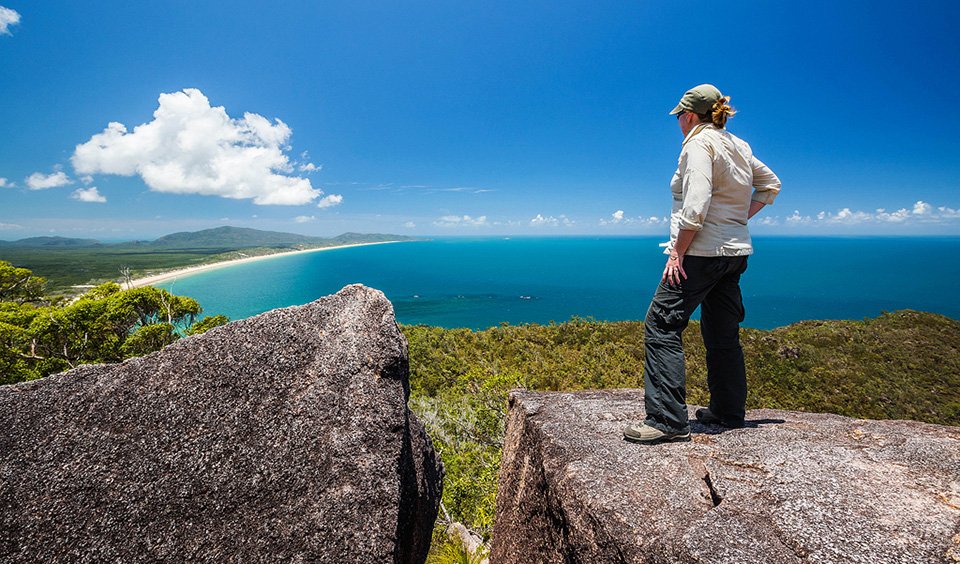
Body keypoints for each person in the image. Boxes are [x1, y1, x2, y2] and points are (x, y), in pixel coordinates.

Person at [623, 84, 781, 444]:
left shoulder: (698, 144)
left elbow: (695, 205)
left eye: (679, 115)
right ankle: (728, 411)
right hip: (735, 254)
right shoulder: (738, 145)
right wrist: (737, 221)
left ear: (690, 115)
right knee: (722, 332)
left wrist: (677, 252)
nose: (677, 121)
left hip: (700, 254)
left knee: (661, 325)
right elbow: (771, 185)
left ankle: (666, 420)